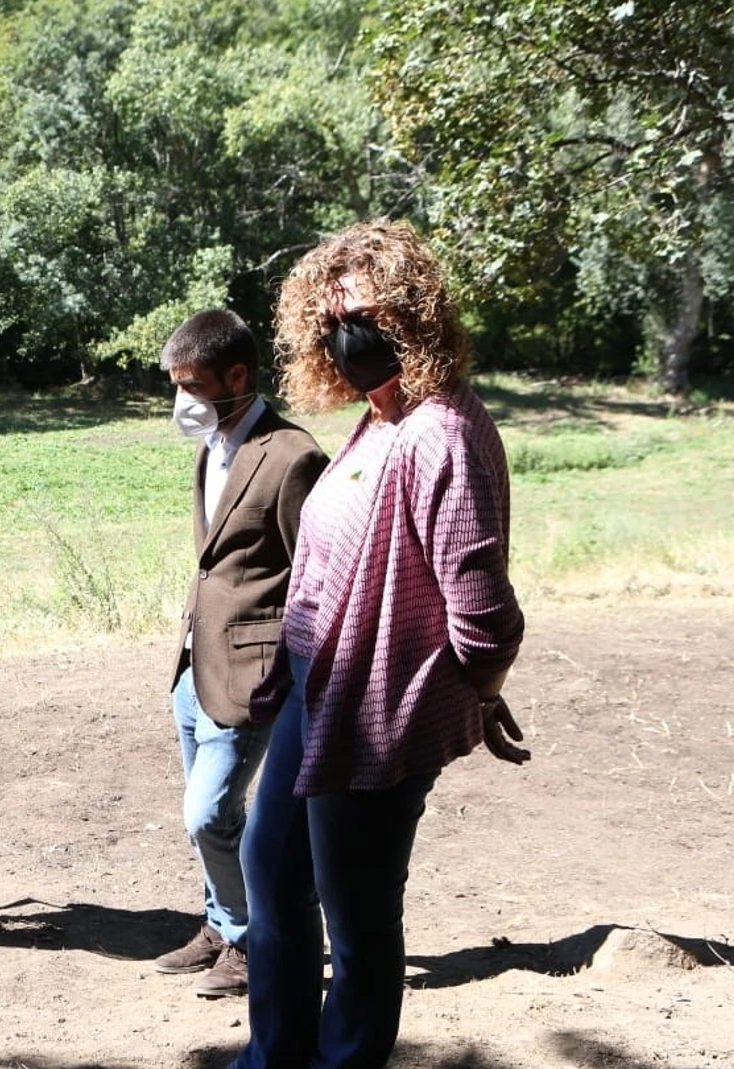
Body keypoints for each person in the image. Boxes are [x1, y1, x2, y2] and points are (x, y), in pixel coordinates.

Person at [231, 220, 529, 1069]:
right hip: (316, 686)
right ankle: (272, 1055)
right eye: (329, 321)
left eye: (360, 313)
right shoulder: (379, 417)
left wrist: (482, 690)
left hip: (377, 708)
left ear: (415, 313)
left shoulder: (444, 431)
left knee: (355, 910)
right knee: (272, 866)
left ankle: (344, 1059)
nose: (345, 334)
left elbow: (484, 612)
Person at [152, 310, 327, 998]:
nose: (182, 402)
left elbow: (313, 577)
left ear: (238, 376)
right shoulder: (211, 446)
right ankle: (220, 924)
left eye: (193, 386)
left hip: (253, 673)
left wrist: (298, 677)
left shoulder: (293, 456)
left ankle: (255, 938)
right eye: (175, 386)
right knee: (209, 816)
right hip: (194, 666)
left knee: (208, 813)